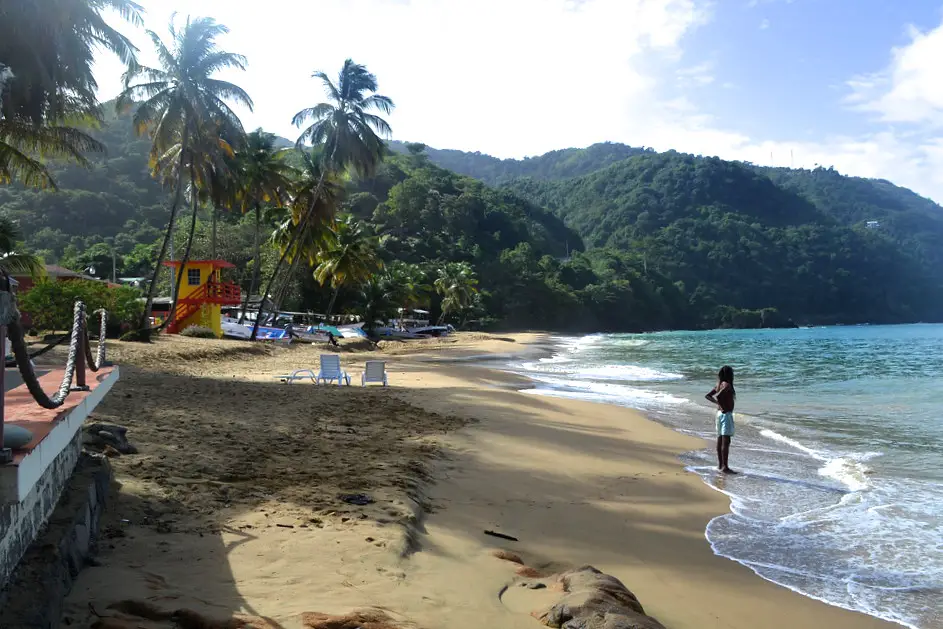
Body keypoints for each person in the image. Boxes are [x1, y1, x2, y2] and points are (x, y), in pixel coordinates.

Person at [705, 365, 737, 474]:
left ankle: (720, 465)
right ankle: (725, 467)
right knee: (726, 441)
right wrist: (721, 404)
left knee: (720, 440)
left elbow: (708, 396)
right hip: (725, 414)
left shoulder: (719, 385)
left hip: (719, 414)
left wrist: (717, 404)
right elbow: (719, 397)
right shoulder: (727, 385)